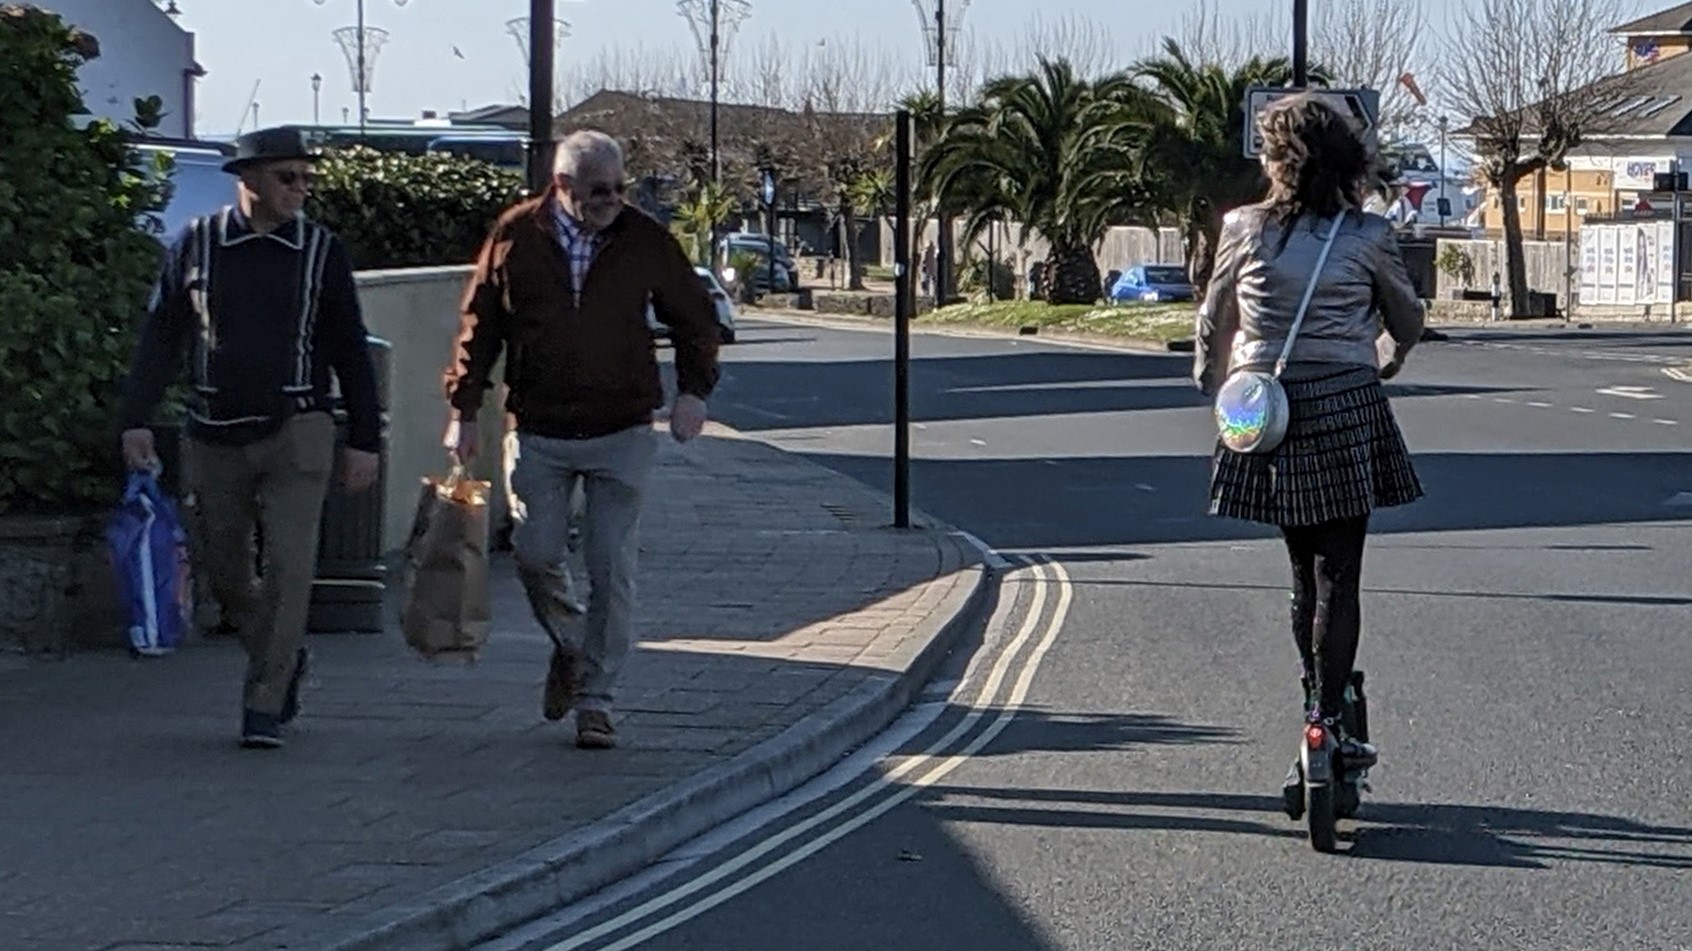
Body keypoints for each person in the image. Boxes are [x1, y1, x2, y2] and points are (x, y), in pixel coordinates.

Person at [443, 129, 720, 750]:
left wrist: (693, 392)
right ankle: (571, 644)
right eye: (600, 190)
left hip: (621, 430)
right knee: (536, 555)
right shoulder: (516, 235)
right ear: (562, 185)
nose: (613, 200)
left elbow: (695, 316)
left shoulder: (644, 239)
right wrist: (463, 410)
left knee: (611, 566)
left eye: (621, 188)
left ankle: (597, 700)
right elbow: (479, 325)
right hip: (539, 429)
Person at [118, 126, 382, 750]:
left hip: (299, 427)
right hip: (213, 433)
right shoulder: (198, 244)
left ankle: (263, 704)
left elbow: (350, 346)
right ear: (249, 179)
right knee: (225, 569)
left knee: (290, 570)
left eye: (307, 178)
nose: (301, 189)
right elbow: (161, 336)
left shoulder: (321, 250)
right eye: (288, 177)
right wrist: (134, 417)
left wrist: (365, 439)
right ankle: (281, 657)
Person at [1194, 94, 1425, 762]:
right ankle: (1334, 718)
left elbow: (1213, 316)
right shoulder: (1368, 235)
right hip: (1346, 400)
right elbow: (1406, 316)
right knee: (1340, 577)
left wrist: (1215, 379)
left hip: (1267, 409)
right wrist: (1392, 352)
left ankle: (1311, 706)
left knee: (1301, 574)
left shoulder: (1242, 227)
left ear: (1279, 163)